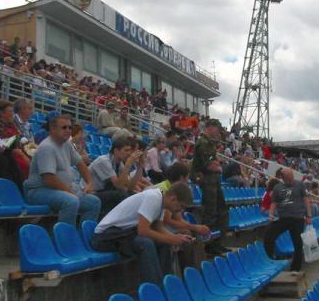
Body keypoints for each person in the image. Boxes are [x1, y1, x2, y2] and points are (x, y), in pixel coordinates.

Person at [92, 183, 195, 285]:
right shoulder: (153, 198)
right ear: (173, 199)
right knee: (145, 243)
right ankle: (156, 288)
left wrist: (174, 238)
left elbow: (158, 227)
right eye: (181, 206)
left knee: (164, 243)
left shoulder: (161, 202)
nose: (181, 210)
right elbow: (143, 231)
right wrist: (171, 239)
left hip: (122, 234)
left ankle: (166, 283)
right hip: (105, 237)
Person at [24, 114, 101, 226]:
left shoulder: (66, 144)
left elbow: (80, 164)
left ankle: (84, 237)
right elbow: (49, 179)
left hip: (59, 190)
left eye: (70, 127)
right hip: (39, 191)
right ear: (53, 129)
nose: (68, 130)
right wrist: (70, 192)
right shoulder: (47, 147)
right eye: (64, 127)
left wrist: (89, 183)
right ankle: (66, 238)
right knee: (70, 201)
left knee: (93, 202)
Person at [191, 118, 229, 255]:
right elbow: (211, 165)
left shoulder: (209, 143)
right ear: (211, 127)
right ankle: (209, 245)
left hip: (212, 181)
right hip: (207, 181)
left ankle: (217, 243)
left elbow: (216, 163)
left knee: (221, 211)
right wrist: (219, 168)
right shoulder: (203, 142)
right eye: (217, 129)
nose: (218, 133)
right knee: (211, 213)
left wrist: (218, 166)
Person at [264, 168, 312, 272]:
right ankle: (271, 259)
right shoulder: (277, 187)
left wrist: (308, 215)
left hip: (297, 219)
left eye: (291, 178)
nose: (291, 181)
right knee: (268, 235)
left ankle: (295, 269)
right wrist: (271, 214)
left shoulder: (300, 185)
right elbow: (274, 203)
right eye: (288, 179)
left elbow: (306, 200)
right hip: (283, 218)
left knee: (298, 244)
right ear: (283, 178)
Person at [89, 137, 143, 216]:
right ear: (116, 151)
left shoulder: (119, 164)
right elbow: (119, 185)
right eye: (126, 150)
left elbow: (130, 187)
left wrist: (140, 167)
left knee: (131, 193)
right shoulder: (103, 161)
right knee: (120, 194)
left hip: (104, 191)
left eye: (129, 150)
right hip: (92, 193)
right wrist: (128, 165)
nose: (129, 153)